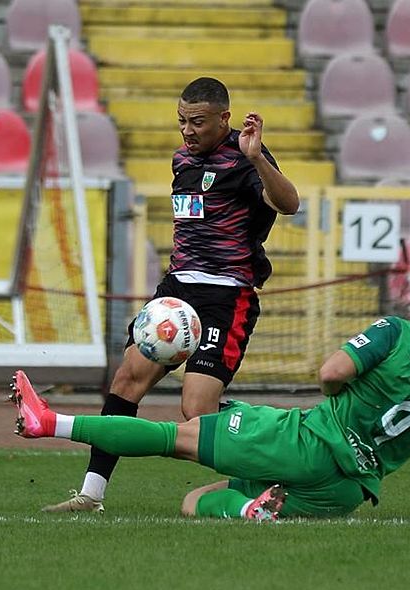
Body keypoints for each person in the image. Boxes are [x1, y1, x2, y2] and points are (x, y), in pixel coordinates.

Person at [12, 275, 410, 521]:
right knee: (197, 502)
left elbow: (331, 373)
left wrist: (340, 389)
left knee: (175, 437)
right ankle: (251, 506)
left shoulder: (398, 331)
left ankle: (48, 422)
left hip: (308, 442)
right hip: (349, 491)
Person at [41, 77, 300, 512]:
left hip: (226, 296)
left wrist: (257, 160)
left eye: (197, 122)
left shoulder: (246, 155)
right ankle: (91, 495)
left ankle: (277, 448)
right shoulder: (182, 160)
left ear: (225, 118)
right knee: (126, 379)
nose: (187, 131)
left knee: (196, 410)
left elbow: (289, 203)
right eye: (181, 121)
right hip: (176, 292)